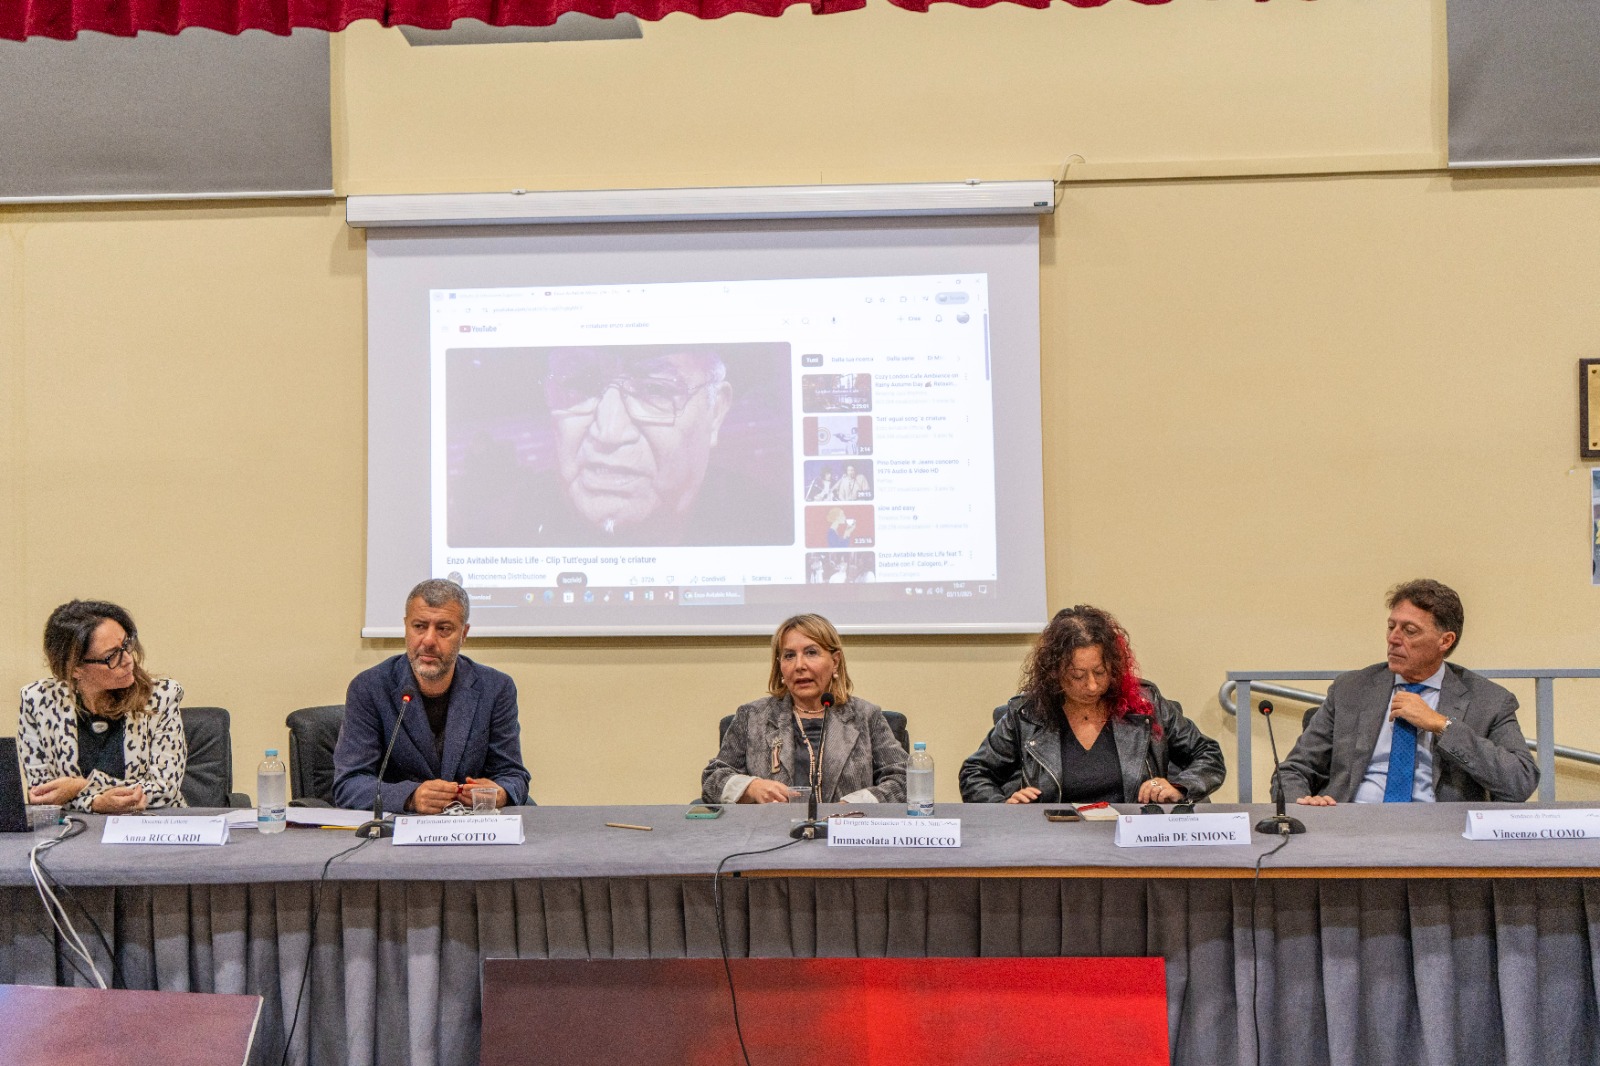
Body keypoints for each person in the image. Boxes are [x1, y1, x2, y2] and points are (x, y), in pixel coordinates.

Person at [1276, 579, 1538, 805]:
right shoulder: (1351, 689)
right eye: (1392, 627)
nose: (1393, 638)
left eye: (1409, 631)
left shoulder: (1489, 701)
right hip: (1353, 823)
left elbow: (1520, 781)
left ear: (1445, 640)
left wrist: (1442, 725)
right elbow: (1293, 770)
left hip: (1440, 831)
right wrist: (1304, 805)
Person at [960, 605, 1224, 805]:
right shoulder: (1026, 714)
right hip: (1052, 842)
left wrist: (1179, 787)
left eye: (1100, 672)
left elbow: (1208, 754)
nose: (1092, 686)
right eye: (1077, 676)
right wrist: (1003, 807)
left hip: (1135, 839)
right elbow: (975, 773)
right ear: (1054, 672)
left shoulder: (1145, 704)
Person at [333, 579, 531, 813]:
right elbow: (349, 784)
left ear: (463, 634)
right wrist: (410, 797)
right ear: (406, 627)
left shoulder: (495, 688)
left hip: (471, 825)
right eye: (419, 626)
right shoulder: (370, 687)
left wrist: (500, 792)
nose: (428, 640)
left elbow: (513, 775)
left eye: (443, 629)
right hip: (400, 826)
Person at [702, 614, 906, 805]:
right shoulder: (752, 716)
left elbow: (903, 778)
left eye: (811, 653)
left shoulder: (865, 716)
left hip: (845, 828)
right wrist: (751, 787)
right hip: (772, 829)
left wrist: (854, 804)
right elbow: (713, 779)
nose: (799, 665)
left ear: (835, 662)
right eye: (789, 655)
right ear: (780, 665)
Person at [18, 600, 186, 813]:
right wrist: (96, 803)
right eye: (112, 656)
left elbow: (164, 789)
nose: (128, 660)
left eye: (126, 644)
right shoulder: (38, 701)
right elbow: (42, 796)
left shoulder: (161, 697)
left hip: (152, 825)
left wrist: (80, 786)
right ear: (75, 668)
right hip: (73, 829)